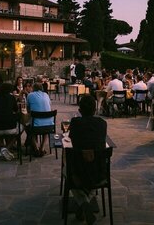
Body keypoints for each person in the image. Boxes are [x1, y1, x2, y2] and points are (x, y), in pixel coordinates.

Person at [68, 94, 107, 225]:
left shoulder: (75, 123)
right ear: (95, 109)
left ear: (79, 110)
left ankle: (83, 203)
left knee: (66, 170)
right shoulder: (102, 124)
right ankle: (86, 204)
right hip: (99, 172)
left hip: (78, 173)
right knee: (91, 171)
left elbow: (73, 139)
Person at [26, 82, 53, 157]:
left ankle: (36, 148)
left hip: (36, 125)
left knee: (28, 128)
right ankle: (42, 148)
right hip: (49, 125)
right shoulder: (46, 95)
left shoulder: (30, 95)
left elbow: (28, 111)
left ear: (33, 88)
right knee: (45, 131)